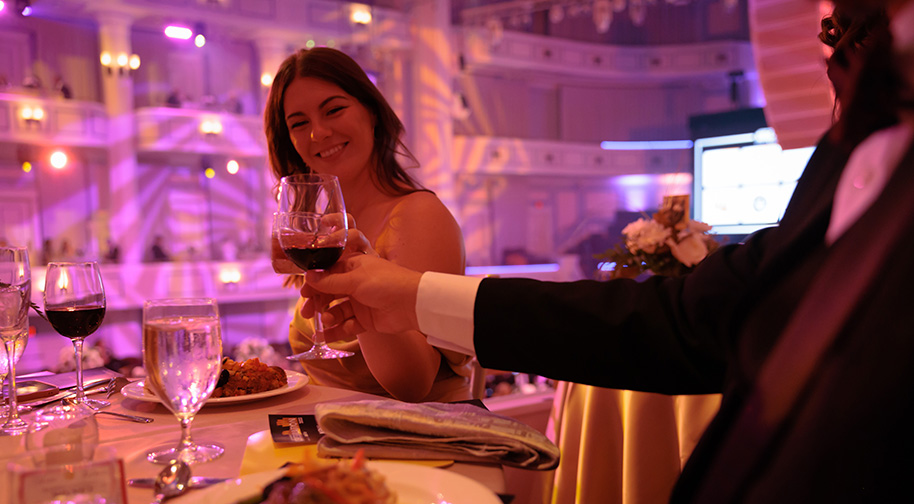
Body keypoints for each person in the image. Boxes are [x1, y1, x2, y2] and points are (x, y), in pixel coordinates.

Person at [302, 1, 914, 499]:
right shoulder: (855, 152)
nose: (825, 46)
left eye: (837, 30)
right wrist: (412, 298)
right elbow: (681, 322)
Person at [264, 47, 472, 403]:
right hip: (341, 439)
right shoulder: (322, 234)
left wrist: (356, 286)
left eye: (334, 110)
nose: (318, 133)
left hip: (418, 444)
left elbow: (412, 384)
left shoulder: (418, 215)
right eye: (299, 123)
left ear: (372, 112)